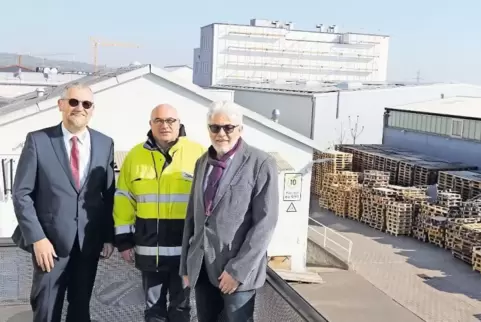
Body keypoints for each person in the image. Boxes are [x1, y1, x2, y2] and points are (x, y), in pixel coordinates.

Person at [11, 82, 116, 322]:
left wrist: (108, 236)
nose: (80, 108)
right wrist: (37, 238)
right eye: (74, 102)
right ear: (61, 105)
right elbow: (22, 194)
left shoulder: (104, 143)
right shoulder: (38, 140)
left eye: (86, 104)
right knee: (47, 312)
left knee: (80, 312)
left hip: (88, 246)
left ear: (92, 110)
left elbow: (108, 194)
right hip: (49, 248)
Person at [179, 101, 280, 322]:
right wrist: (187, 265)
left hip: (237, 273)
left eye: (228, 127)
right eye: (215, 127)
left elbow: (266, 223)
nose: (221, 133)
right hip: (203, 267)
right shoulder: (202, 162)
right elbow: (192, 218)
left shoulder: (261, 163)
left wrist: (237, 270)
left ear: (240, 129)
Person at [113, 104, 205, 322]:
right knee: (153, 310)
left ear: (179, 123)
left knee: (181, 309)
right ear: (151, 124)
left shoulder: (198, 153)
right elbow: (124, 199)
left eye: (171, 120)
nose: (165, 125)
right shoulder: (135, 155)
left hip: (185, 252)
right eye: (159, 121)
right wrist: (124, 242)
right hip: (149, 251)